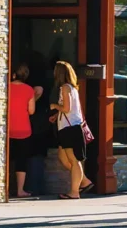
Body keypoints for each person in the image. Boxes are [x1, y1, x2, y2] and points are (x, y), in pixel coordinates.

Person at [48, 61, 92, 199]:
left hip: (70, 128)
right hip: (67, 127)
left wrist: (55, 106)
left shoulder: (66, 88)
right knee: (63, 157)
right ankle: (84, 181)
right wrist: (57, 115)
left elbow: (66, 109)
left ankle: (74, 192)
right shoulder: (70, 88)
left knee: (74, 160)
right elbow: (70, 109)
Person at [9, 63, 42, 198]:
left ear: (13, 74)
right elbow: (31, 111)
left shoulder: (6, 87)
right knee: (21, 160)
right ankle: (20, 190)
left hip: (7, 128)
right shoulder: (29, 90)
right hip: (23, 129)